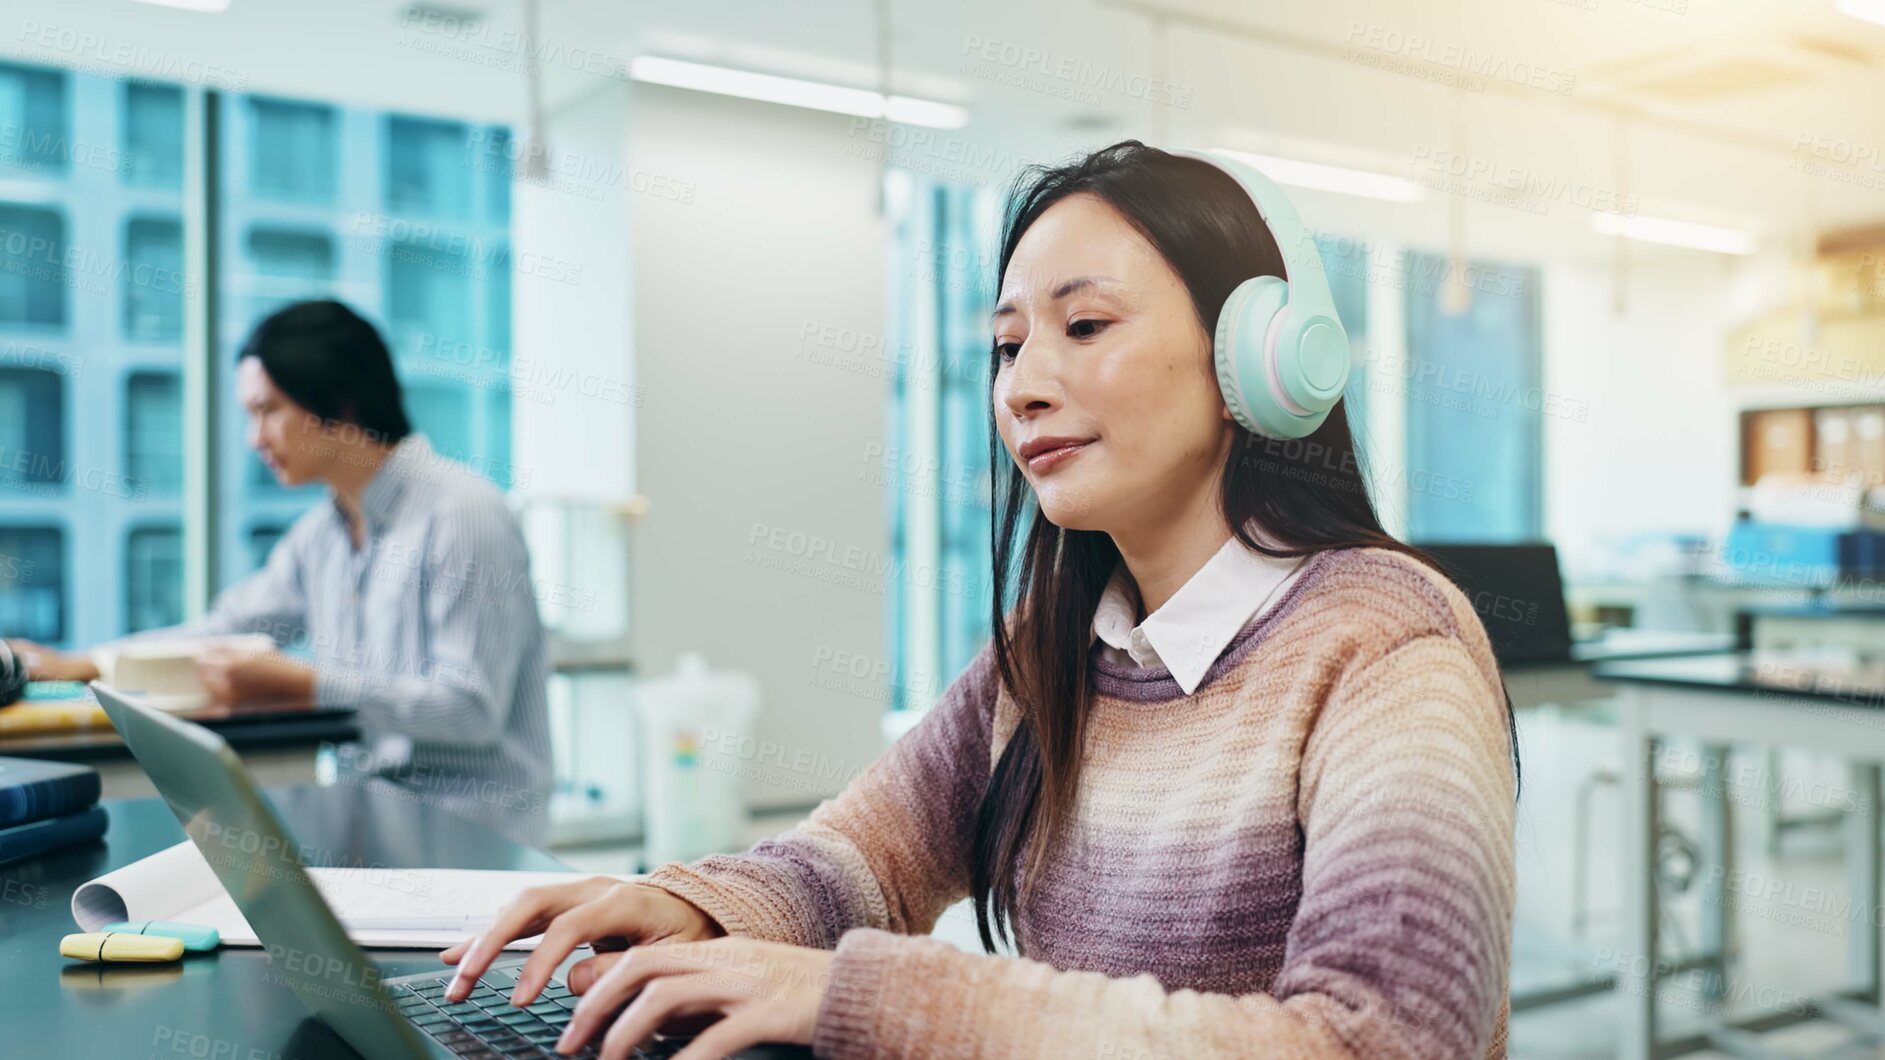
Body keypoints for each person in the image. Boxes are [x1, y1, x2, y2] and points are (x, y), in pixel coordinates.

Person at [445, 141, 1520, 1058]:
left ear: (1257, 355)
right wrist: (691, 904)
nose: (1021, 385)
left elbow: (1380, 1038)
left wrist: (875, 997)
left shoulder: (1384, 645)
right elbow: (867, 854)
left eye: (1083, 327)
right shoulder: (1051, 645)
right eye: (1006, 345)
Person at [8, 300, 553, 846]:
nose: (255, 438)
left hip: (474, 835)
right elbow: (223, 627)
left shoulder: (462, 514)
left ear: (337, 406)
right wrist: (78, 664)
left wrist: (305, 685)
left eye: (267, 411)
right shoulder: (323, 533)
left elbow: (471, 709)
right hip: (369, 820)